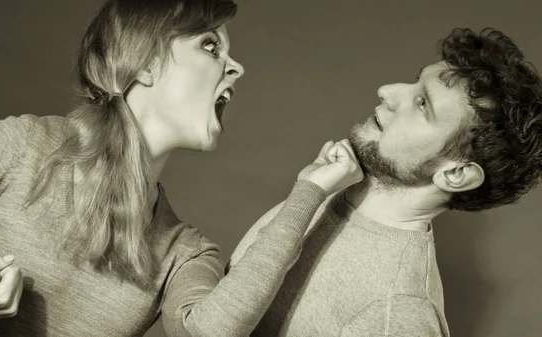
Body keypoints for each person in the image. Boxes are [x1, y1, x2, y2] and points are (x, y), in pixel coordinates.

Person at [0, 0, 364, 336]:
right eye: (210, 45)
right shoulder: (23, 147)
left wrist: (309, 191)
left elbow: (211, 332)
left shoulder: (184, 251)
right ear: (143, 63)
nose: (237, 67)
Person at [230, 27, 542, 336]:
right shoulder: (324, 190)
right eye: (414, 81)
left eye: (423, 105)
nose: (387, 90)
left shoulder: (398, 315)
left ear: (455, 174)